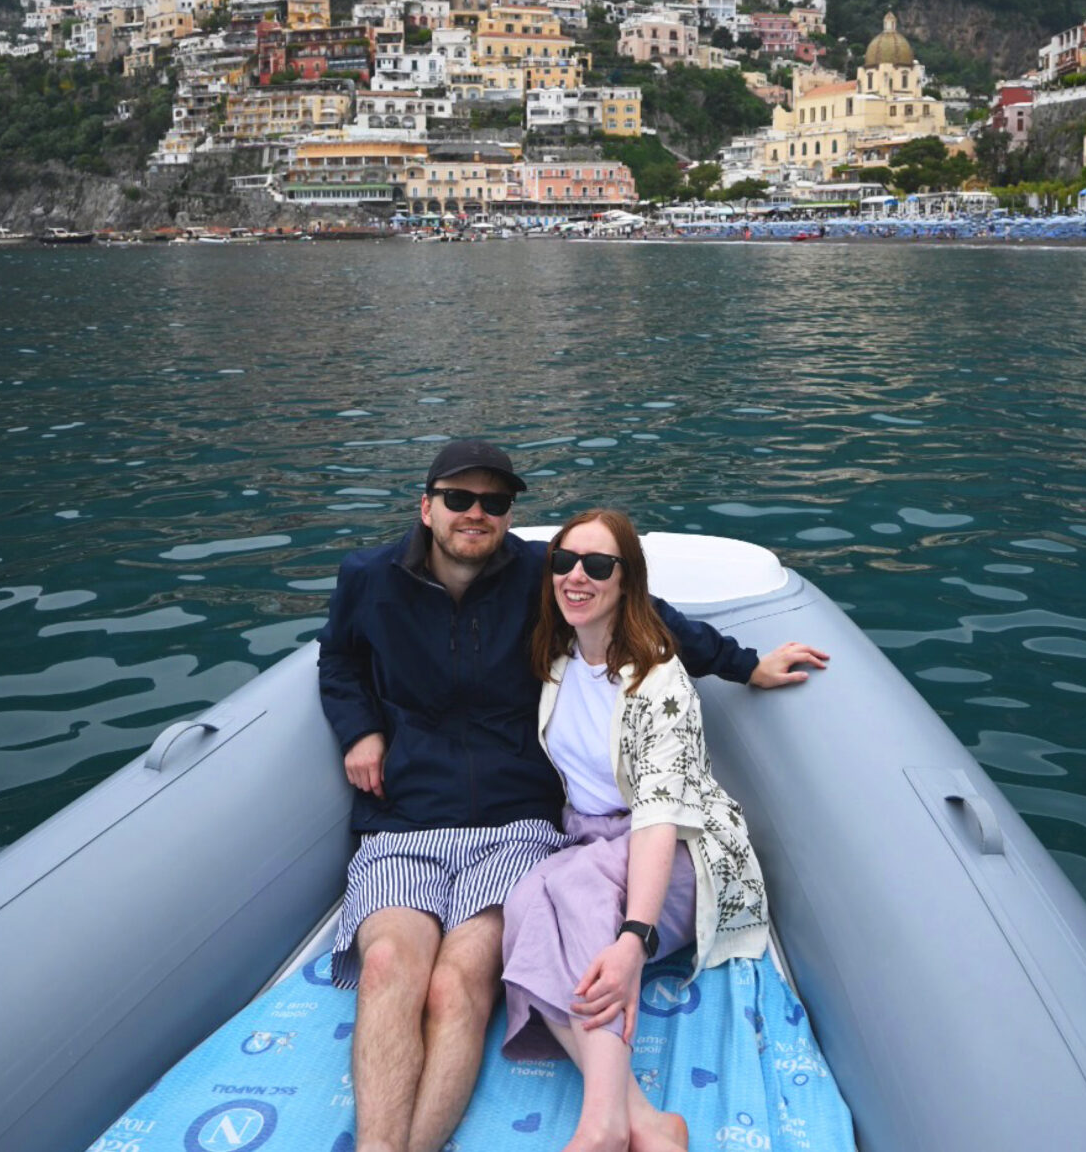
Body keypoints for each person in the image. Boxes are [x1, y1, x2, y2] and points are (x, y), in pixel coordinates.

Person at [317, 440, 828, 1152]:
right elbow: (338, 657)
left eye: (494, 502)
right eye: (459, 498)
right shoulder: (368, 579)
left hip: (516, 822)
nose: (476, 513)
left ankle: (547, 1129)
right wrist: (359, 730)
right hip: (406, 816)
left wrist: (745, 664)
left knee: (459, 983)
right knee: (387, 968)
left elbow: (653, 620)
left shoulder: (541, 576)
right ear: (425, 506)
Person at [499, 510, 774, 1152]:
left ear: (628, 581)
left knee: (577, 890)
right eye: (564, 562)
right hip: (594, 841)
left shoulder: (659, 680)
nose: (577, 577)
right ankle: (646, 1121)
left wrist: (633, 940)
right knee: (524, 905)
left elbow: (656, 823)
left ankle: (600, 1127)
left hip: (680, 856)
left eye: (599, 566)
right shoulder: (556, 657)